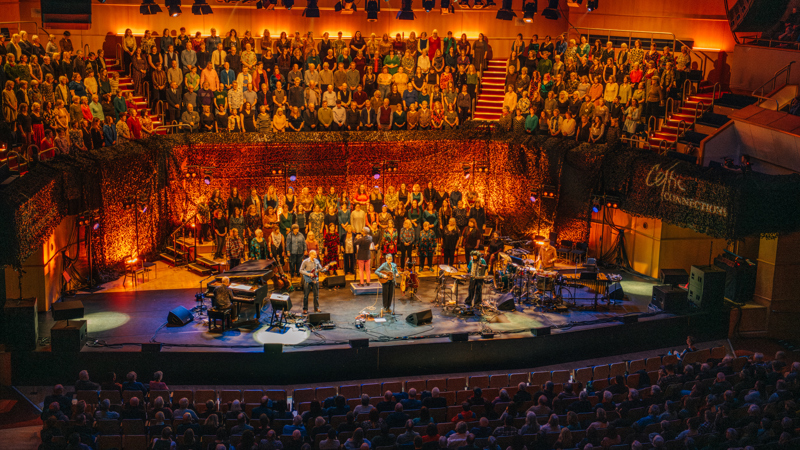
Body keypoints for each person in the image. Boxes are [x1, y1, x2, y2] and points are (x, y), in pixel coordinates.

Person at [300, 249, 325, 314]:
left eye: (316, 255)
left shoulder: (316, 261)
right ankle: (305, 309)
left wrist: (325, 269)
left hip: (315, 280)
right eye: (314, 255)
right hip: (308, 280)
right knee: (306, 295)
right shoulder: (305, 261)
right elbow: (301, 270)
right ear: (310, 255)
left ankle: (316, 307)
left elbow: (321, 269)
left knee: (316, 295)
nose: (316, 256)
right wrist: (308, 274)